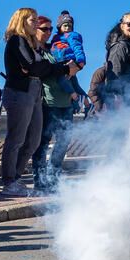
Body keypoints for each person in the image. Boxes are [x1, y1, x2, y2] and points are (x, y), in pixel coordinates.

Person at [0, 8, 76, 197]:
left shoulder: (32, 44)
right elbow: (32, 66)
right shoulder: (17, 40)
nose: (36, 24)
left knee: (33, 140)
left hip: (34, 91)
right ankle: (9, 181)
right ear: (21, 21)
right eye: (32, 20)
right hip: (20, 92)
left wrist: (42, 69)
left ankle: (16, 178)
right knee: (16, 138)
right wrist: (47, 69)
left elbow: (39, 69)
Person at [31, 15, 75, 193]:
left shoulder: (55, 48)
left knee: (63, 142)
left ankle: (53, 179)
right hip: (48, 102)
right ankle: (40, 181)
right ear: (35, 29)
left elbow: (72, 68)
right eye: (44, 29)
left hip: (66, 102)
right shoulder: (34, 51)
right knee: (43, 142)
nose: (49, 32)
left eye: (51, 29)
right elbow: (46, 71)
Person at [49, 10, 87, 111]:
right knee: (75, 85)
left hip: (68, 62)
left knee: (62, 81)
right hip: (61, 62)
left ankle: (76, 99)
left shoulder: (71, 36)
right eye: (65, 25)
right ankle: (88, 106)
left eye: (69, 25)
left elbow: (77, 48)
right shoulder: (56, 38)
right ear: (59, 27)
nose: (67, 28)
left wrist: (80, 62)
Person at [105, 13, 130, 103]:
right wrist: (116, 96)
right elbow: (114, 74)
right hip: (123, 100)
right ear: (122, 26)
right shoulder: (120, 46)